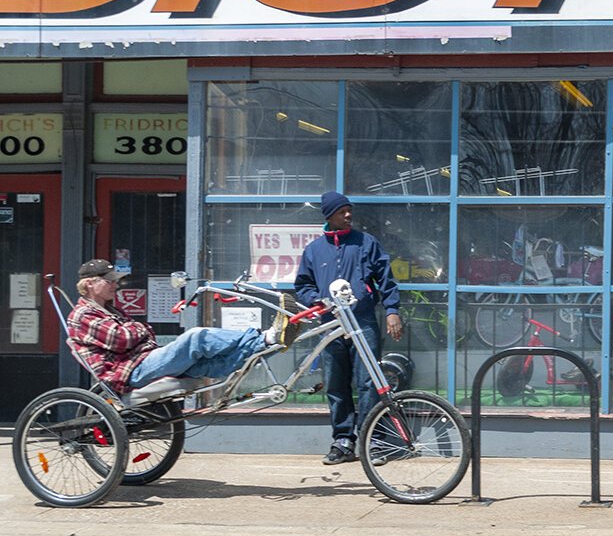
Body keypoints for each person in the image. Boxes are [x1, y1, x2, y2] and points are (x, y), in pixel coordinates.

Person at [67, 259, 290, 396]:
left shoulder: (110, 310)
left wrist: (139, 330)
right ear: (89, 283)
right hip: (130, 372)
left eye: (116, 280)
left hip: (144, 360)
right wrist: (141, 329)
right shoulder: (84, 314)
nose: (116, 285)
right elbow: (122, 338)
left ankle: (269, 343)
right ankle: (266, 337)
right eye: (110, 280)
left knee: (212, 364)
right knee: (196, 338)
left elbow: (136, 333)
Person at [294, 191, 403, 465]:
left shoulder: (366, 243)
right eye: (342, 211)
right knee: (336, 384)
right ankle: (343, 441)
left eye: (349, 210)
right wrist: (314, 300)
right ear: (329, 215)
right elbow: (302, 286)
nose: (348, 215)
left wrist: (392, 311)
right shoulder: (314, 250)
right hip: (330, 325)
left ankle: (372, 441)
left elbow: (386, 280)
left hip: (362, 321)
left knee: (370, 383)